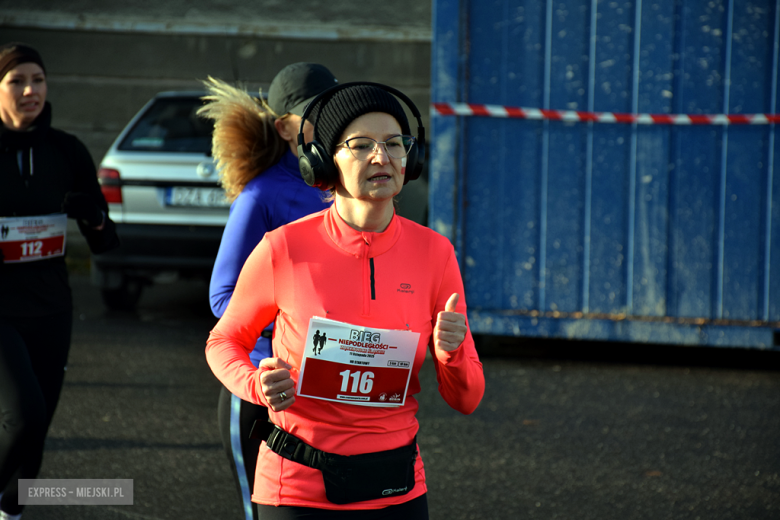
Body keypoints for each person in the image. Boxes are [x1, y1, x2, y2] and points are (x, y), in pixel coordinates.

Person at [205, 82, 484, 519]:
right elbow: (223, 342)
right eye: (361, 145)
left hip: (397, 487)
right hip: (296, 488)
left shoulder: (435, 253)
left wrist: (451, 354)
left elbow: (467, 398)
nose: (381, 156)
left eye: (394, 143)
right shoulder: (284, 248)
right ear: (323, 161)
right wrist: (255, 384)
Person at [199, 63, 336, 520]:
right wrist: (298, 328)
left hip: (328, 390)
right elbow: (223, 298)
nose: (331, 119)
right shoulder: (261, 197)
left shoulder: (346, 188)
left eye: (334, 107)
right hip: (262, 387)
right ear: (284, 126)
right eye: (315, 112)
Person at [0, 42, 119, 520]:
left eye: (38, 80)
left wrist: (92, 219)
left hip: (52, 309)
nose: (31, 90)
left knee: (37, 426)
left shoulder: (66, 150)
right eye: (16, 81)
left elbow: (107, 243)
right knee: (23, 414)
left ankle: (12, 511)